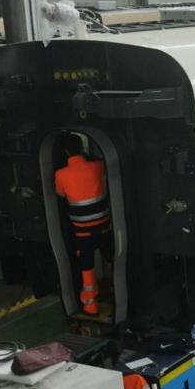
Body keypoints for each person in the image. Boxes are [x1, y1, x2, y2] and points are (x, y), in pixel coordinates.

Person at [54, 134, 110, 315]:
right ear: (83, 148)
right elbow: (104, 164)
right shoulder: (97, 166)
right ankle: (117, 294)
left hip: (82, 233)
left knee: (87, 268)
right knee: (112, 260)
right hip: (104, 227)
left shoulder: (61, 174)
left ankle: (90, 305)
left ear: (65, 152)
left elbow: (61, 196)